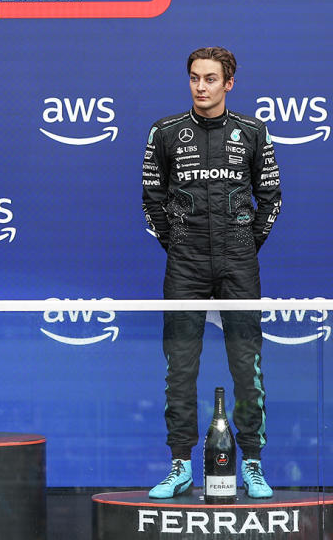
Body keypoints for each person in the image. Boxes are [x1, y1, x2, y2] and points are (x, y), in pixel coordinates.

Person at [142, 47, 281, 499]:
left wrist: (244, 245)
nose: (201, 86)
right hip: (185, 264)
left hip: (239, 261)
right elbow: (152, 201)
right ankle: (180, 464)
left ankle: (253, 465)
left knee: (247, 364)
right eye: (194, 78)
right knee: (179, 367)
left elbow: (271, 198)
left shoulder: (253, 132)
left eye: (210, 79)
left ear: (229, 83)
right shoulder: (165, 132)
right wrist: (181, 244)